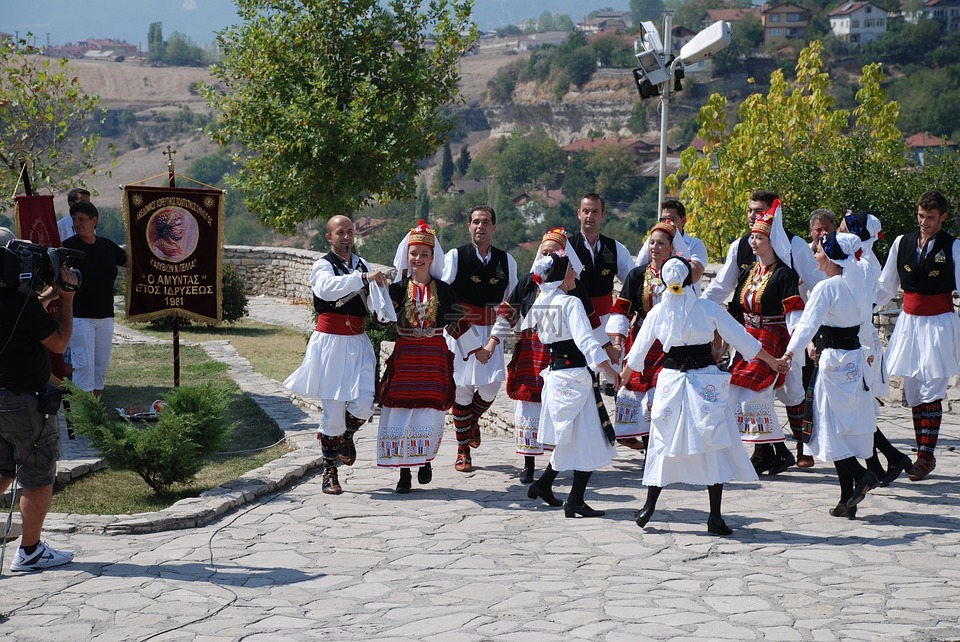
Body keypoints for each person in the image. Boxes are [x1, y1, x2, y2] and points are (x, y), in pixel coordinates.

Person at [626, 257, 789, 535]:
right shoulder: (707, 309)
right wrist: (772, 361)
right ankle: (713, 516)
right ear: (691, 279)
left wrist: (621, 376)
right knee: (708, 442)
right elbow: (743, 339)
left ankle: (651, 507)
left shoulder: (658, 312)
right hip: (702, 382)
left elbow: (637, 354)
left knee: (663, 441)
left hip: (678, 382)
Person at [702, 191, 822, 465]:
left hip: (782, 333)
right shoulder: (743, 253)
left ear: (773, 215)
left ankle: (796, 448)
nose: (753, 218)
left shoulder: (793, 249)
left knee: (792, 392)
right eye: (750, 211)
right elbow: (723, 291)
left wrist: (807, 337)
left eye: (760, 212)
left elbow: (817, 285)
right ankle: (768, 450)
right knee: (748, 388)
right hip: (749, 336)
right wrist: (696, 312)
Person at [284, 215, 389, 495]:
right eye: (340, 232)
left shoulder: (362, 264)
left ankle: (346, 436)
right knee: (332, 413)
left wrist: (383, 309)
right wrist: (363, 278)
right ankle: (330, 472)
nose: (346, 237)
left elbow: (373, 299)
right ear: (329, 237)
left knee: (365, 404)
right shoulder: (323, 266)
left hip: (358, 342)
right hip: (331, 343)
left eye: (350, 232)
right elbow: (326, 290)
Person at [378, 221, 483, 493]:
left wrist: (477, 349)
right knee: (401, 411)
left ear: (433, 257)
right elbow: (381, 318)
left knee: (430, 413)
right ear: (406, 256)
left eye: (424, 254)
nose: (418, 259)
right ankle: (403, 473)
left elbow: (457, 322)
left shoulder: (444, 290)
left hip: (434, 356)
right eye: (414, 253)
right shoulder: (398, 289)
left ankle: (424, 460)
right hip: (407, 356)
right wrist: (376, 292)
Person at [492, 228, 600, 484]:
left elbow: (591, 323)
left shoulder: (573, 287)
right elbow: (509, 312)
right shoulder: (530, 281)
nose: (548, 255)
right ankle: (529, 464)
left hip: (561, 355)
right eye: (544, 251)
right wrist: (493, 341)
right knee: (528, 404)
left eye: (553, 252)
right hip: (531, 350)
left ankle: (561, 461)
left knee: (561, 406)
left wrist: (606, 348)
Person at [783, 232, 879, 517]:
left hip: (834, 362)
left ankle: (864, 475)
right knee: (844, 429)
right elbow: (865, 325)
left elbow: (806, 325)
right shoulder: (858, 284)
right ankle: (846, 500)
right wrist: (870, 350)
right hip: (855, 361)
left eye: (819, 251)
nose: (814, 254)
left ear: (830, 257)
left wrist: (790, 353)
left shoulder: (827, 288)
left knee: (828, 426)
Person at [0, 234, 79, 571]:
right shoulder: (18, 305)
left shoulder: (19, 304)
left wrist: (48, 294)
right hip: (26, 403)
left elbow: (24, 318)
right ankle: (30, 551)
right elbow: (59, 343)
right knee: (37, 476)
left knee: (1, 470)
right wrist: (68, 298)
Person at [524, 252, 621, 518]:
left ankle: (544, 485)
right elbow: (586, 342)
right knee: (590, 437)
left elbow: (535, 332)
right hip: (576, 375)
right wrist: (610, 371)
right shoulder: (570, 303)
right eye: (570, 270)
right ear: (560, 275)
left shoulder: (543, 303)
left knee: (574, 439)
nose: (575, 274)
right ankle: (574, 499)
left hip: (556, 376)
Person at [876, 189, 960, 481]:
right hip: (909, 322)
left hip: (939, 322)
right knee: (912, 389)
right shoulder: (902, 242)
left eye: (931, 218)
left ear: (943, 217)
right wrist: (859, 307)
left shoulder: (953, 247)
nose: (924, 222)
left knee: (932, 388)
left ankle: (926, 456)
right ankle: (920, 451)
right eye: (921, 216)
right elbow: (886, 286)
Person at [840, 210, 915, 487]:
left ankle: (889, 459)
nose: (839, 229)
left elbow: (869, 300)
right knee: (863, 408)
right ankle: (880, 463)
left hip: (860, 340)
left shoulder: (862, 262)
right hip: (860, 336)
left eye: (844, 226)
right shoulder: (861, 259)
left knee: (861, 407)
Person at [727, 205, 805, 474]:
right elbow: (736, 308)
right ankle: (771, 452)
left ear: (773, 242)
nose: (753, 241)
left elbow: (795, 313)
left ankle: (772, 453)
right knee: (738, 393)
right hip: (747, 340)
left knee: (757, 395)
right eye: (752, 237)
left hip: (772, 338)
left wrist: (792, 350)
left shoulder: (784, 274)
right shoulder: (749, 271)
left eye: (759, 237)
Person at [442, 205, 518, 473]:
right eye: (475, 222)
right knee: (462, 389)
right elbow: (445, 297)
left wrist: (493, 341)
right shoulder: (456, 257)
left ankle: (469, 422)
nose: (480, 227)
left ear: (493, 228)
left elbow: (511, 304)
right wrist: (468, 340)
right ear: (469, 226)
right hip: (461, 330)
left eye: (485, 222)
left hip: (491, 331)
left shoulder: (506, 261)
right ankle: (463, 451)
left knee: (491, 386)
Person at [607, 222, 687, 449]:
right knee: (635, 392)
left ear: (671, 247)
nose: (655, 247)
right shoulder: (637, 275)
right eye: (652, 242)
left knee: (659, 394)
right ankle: (645, 445)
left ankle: (656, 447)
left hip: (669, 343)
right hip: (641, 339)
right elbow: (622, 309)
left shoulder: (680, 275)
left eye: (661, 243)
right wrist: (618, 341)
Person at [567, 193, 634, 393]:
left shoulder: (615, 248)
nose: (590, 216)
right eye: (586, 211)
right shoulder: (566, 247)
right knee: (581, 374)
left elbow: (632, 281)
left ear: (603, 215)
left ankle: (615, 420)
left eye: (595, 211)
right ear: (579, 214)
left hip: (606, 320)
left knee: (614, 380)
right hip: (576, 320)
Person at [61, 201, 127, 399]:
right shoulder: (68, 247)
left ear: (94, 221)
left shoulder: (107, 246)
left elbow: (130, 261)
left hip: (106, 316)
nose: (77, 223)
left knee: (100, 366)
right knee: (83, 365)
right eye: (74, 220)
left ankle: (94, 412)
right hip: (80, 317)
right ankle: (82, 415)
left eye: (82, 219)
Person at [635, 200, 708, 290]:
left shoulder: (695, 244)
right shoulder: (653, 242)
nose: (667, 223)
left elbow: (695, 276)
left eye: (671, 220)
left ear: (683, 220)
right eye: (663, 220)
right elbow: (639, 268)